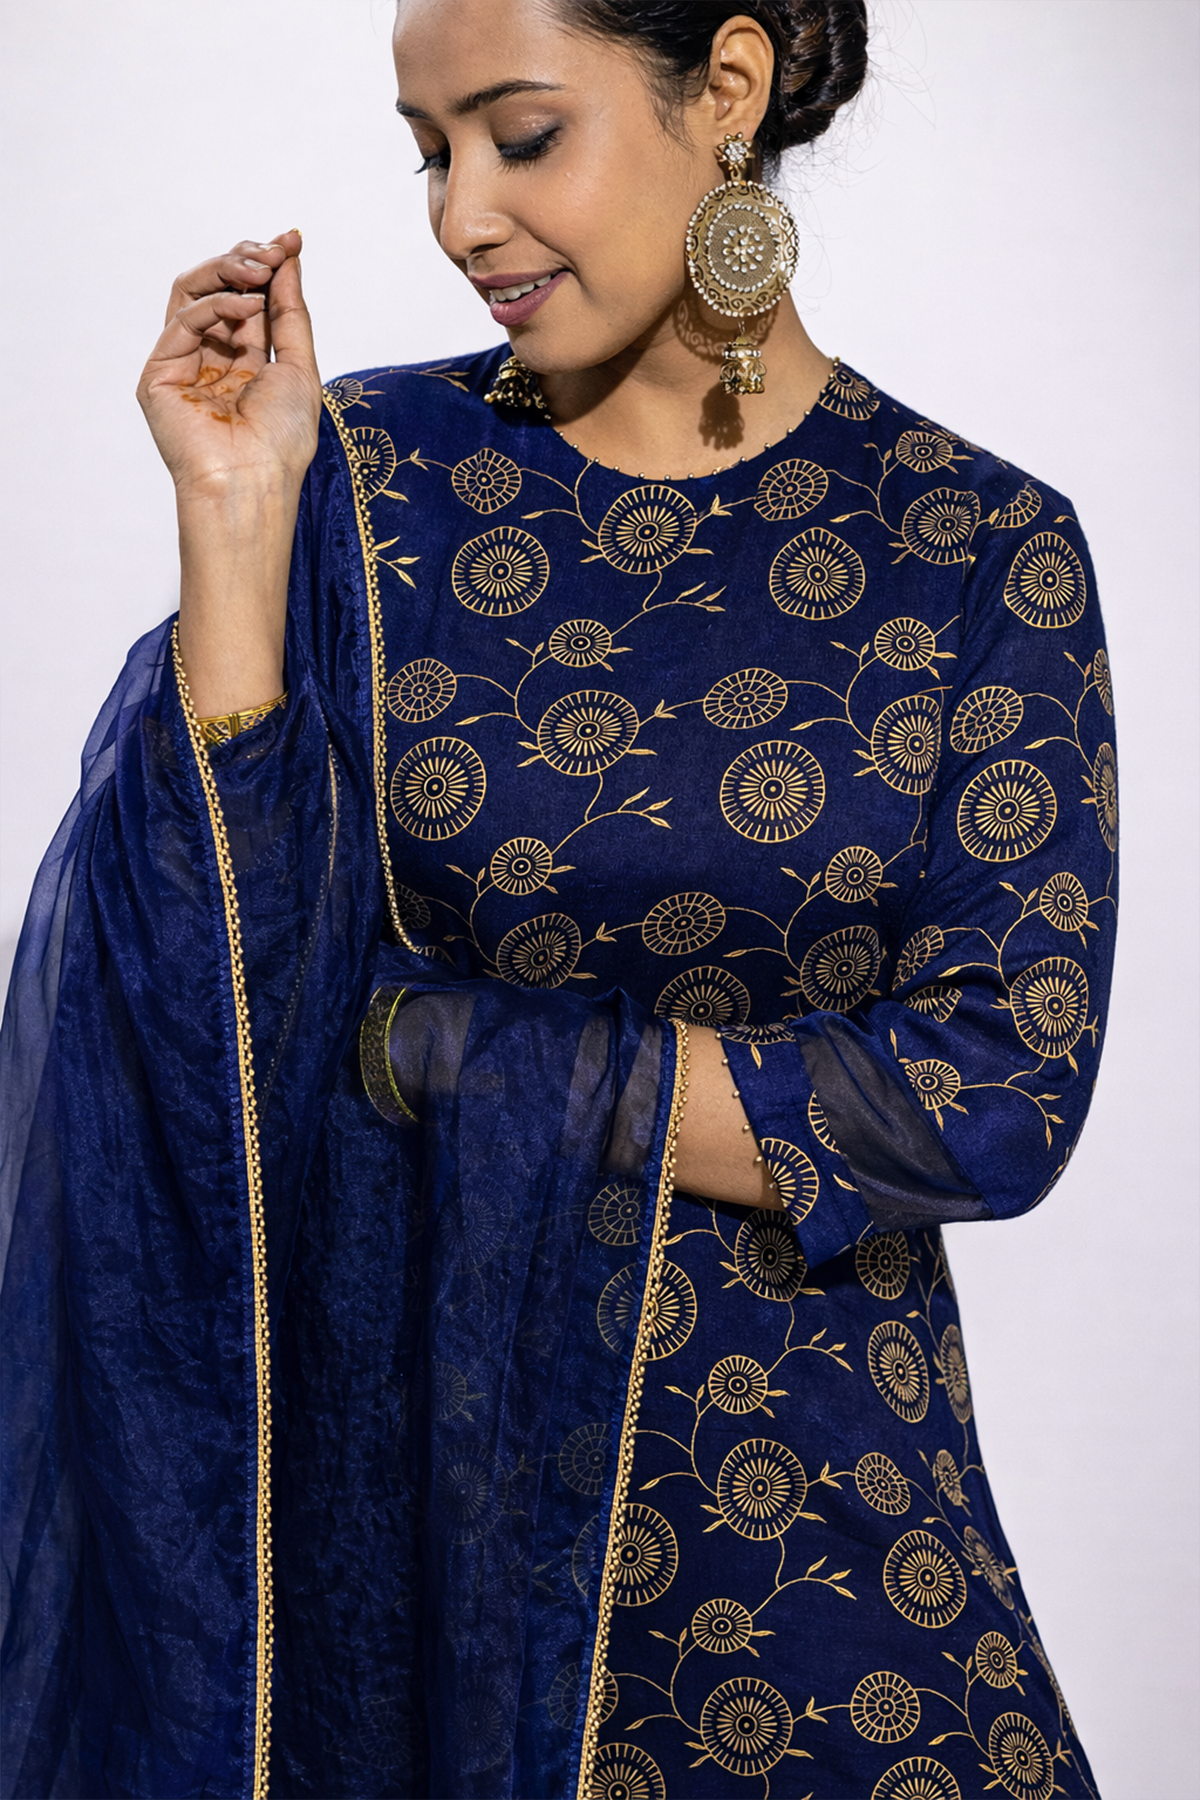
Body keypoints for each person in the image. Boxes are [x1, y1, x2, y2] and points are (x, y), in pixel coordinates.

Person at [0, 2, 1116, 1795]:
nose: (461, 216)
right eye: (428, 153)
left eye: (520, 138)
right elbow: (208, 1020)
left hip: (814, 1542)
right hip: (416, 1556)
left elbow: (994, 1095)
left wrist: (458, 1050)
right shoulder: (366, 483)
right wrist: (237, 519)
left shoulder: (977, 544)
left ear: (726, 90)